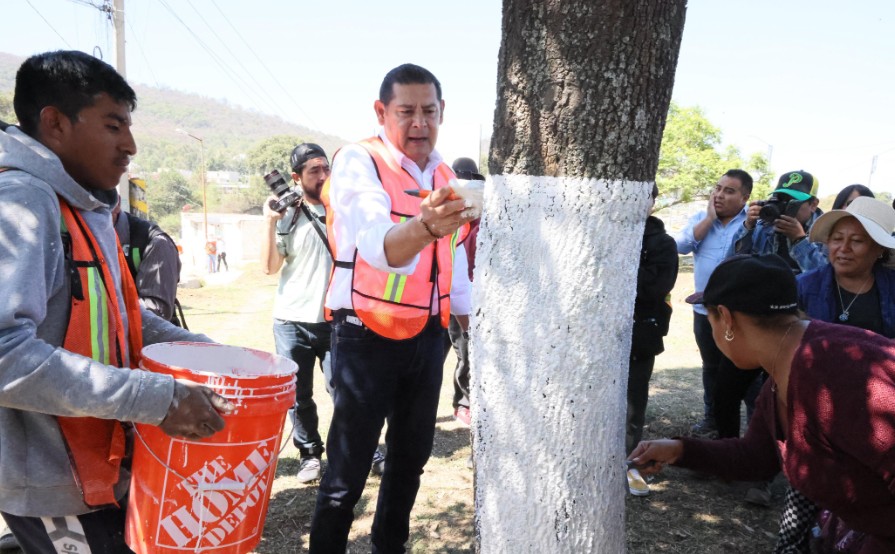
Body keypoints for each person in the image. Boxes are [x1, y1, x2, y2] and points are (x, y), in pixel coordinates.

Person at [0, 50, 231, 552]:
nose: (130, 145)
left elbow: (122, 320)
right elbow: (5, 355)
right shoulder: (23, 201)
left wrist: (209, 354)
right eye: (113, 125)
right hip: (52, 485)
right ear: (54, 123)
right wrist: (157, 398)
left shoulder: (85, 205)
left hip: (101, 466)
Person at [309, 63, 474, 553]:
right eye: (406, 112)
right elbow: (378, 247)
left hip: (427, 338)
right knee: (347, 469)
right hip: (366, 334)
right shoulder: (359, 161)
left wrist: (477, 334)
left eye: (429, 111)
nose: (419, 122)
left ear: (443, 112)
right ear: (383, 112)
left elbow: (455, 266)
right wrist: (426, 227)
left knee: (409, 462)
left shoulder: (446, 175)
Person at [629, 254, 895, 554]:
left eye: (711, 317)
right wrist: (681, 450)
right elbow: (757, 456)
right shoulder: (785, 369)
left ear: (727, 319)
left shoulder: (837, 377)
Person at [767, 197, 895, 552]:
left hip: (874, 420)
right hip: (815, 415)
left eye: (857, 240)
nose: (843, 248)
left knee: (861, 510)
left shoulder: (892, 288)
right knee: (802, 501)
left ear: (878, 249)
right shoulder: (804, 287)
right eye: (837, 238)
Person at [261, 142, 334, 483]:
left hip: (336, 319)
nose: (322, 176)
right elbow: (269, 267)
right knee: (298, 395)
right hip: (291, 321)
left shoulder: (342, 210)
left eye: (325, 168)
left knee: (346, 391)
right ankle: (309, 454)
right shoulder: (287, 216)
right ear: (296, 177)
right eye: (313, 171)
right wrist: (270, 222)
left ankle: (353, 447)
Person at [675, 169, 751, 437]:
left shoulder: (752, 222)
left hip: (741, 316)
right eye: (717, 188)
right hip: (705, 312)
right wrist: (709, 218)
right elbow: (680, 246)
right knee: (711, 368)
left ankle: (753, 428)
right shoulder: (701, 219)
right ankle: (712, 419)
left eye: (729, 191)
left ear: (745, 197)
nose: (719, 195)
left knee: (747, 370)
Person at [625, 183, 679, 496]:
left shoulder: (662, 243)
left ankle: (630, 466)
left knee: (632, 407)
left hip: (641, 334)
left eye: (643, 197)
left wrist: (622, 263)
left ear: (652, 202)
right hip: (596, 335)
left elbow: (656, 286)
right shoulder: (602, 232)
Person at [111, 192, 186, 327]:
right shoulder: (77, 242)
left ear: (116, 203)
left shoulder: (156, 244)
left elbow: (155, 313)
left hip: (147, 345)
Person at [730, 170, 826, 273]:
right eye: (780, 199)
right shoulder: (764, 226)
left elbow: (825, 276)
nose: (783, 206)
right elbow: (734, 261)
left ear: (813, 205)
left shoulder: (826, 233)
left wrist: (799, 240)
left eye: (792, 201)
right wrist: (748, 226)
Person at [446, 156, 482, 428]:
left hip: (473, 299)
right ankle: (463, 402)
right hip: (453, 302)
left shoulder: (482, 221)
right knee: (464, 353)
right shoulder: (450, 225)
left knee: (468, 355)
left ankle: (465, 401)